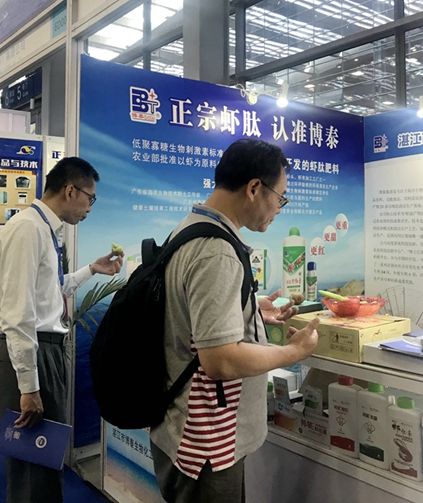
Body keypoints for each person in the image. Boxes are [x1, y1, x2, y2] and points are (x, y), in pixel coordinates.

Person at [150, 138, 319, 503]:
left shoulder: (192, 227)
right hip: (207, 443)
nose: (279, 208)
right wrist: (293, 352)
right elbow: (220, 360)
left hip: (184, 428)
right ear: (254, 188)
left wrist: (250, 310)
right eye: (280, 197)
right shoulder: (218, 251)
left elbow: (194, 318)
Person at [0, 157, 123, 503]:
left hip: (41, 351)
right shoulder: (29, 229)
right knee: (33, 465)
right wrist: (29, 387)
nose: (90, 208)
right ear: (70, 190)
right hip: (31, 353)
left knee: (44, 462)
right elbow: (18, 313)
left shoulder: (43, 229)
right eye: (90, 198)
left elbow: (49, 290)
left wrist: (91, 269)